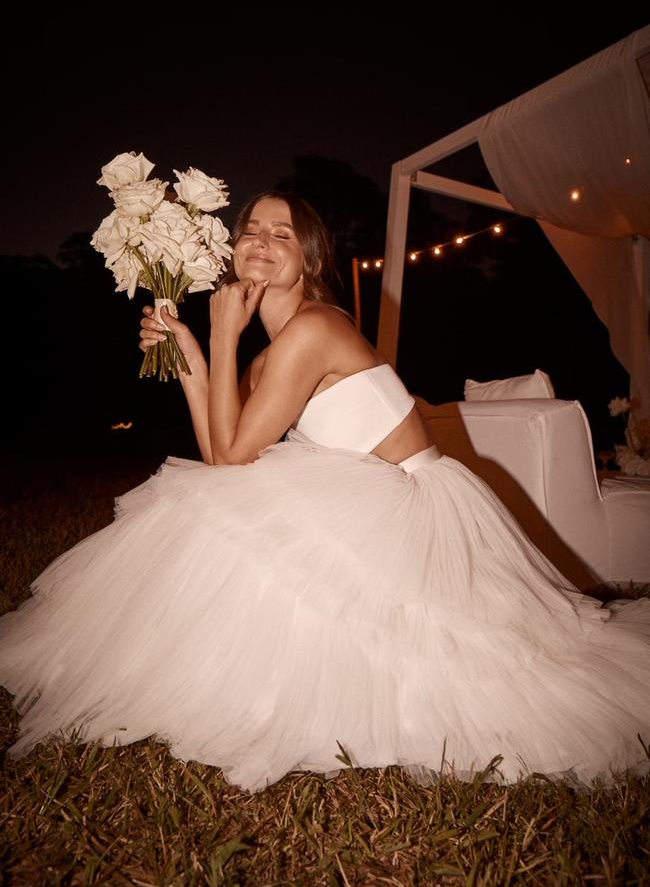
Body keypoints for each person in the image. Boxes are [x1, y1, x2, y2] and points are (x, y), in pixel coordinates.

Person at [0, 192, 648, 793]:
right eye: (250, 229)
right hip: (372, 496)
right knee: (212, 509)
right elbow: (222, 451)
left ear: (308, 259)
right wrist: (194, 358)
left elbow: (229, 459)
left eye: (281, 234)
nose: (260, 239)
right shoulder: (273, 352)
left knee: (223, 517)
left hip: (410, 508)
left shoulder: (315, 328)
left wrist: (221, 334)